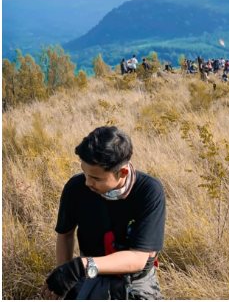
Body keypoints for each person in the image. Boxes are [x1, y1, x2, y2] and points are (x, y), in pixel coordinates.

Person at [44, 126, 166, 299]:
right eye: (84, 173)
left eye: (95, 178)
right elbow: (65, 234)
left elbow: (138, 259)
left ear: (122, 172)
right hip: (90, 275)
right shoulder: (75, 188)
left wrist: (81, 266)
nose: (87, 183)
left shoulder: (148, 191)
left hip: (134, 279)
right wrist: (65, 277)